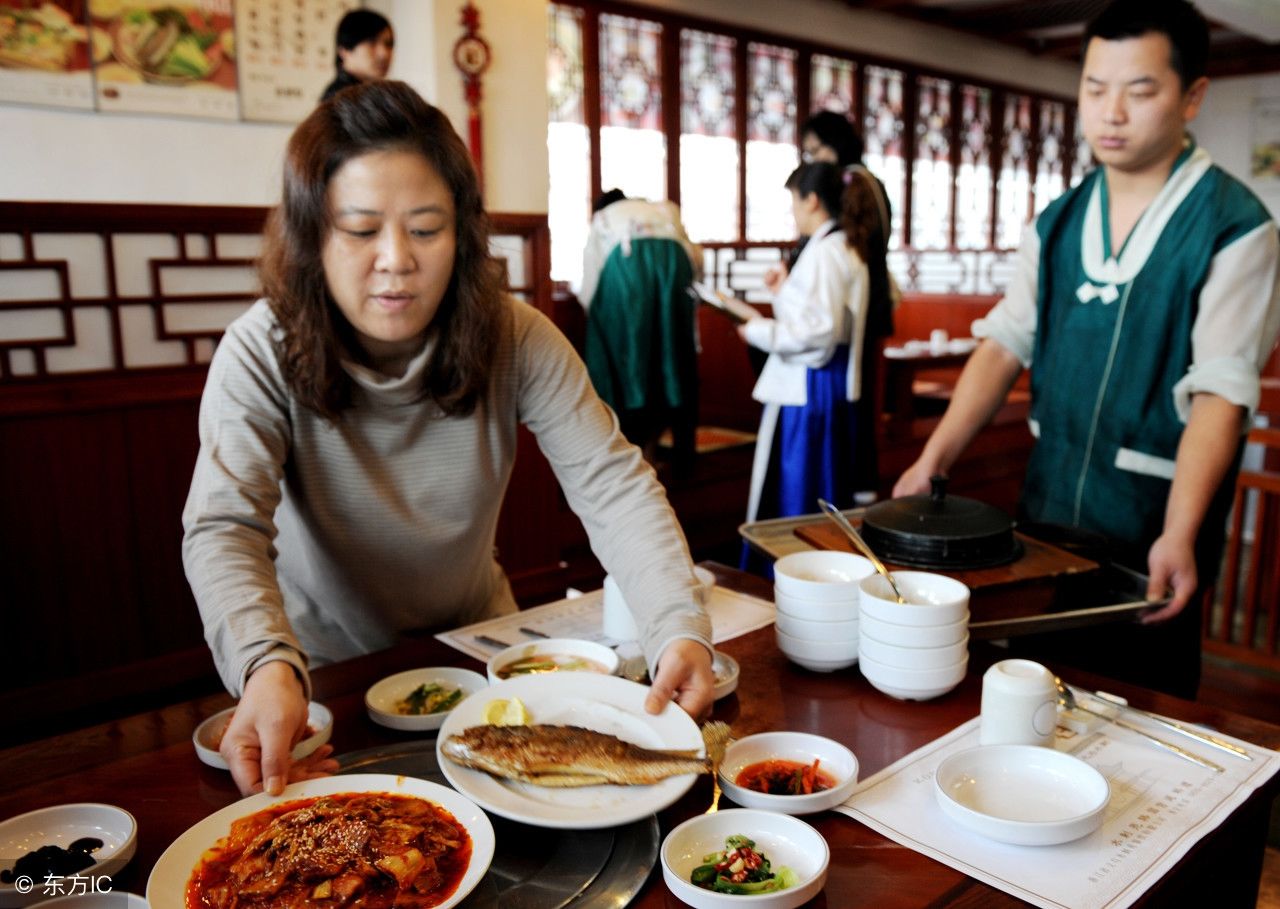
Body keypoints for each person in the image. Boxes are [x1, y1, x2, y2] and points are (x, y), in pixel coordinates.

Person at [182, 81, 715, 797]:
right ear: (313, 235)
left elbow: (612, 483)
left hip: (476, 652)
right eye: (363, 230)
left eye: (426, 228)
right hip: (321, 675)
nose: (397, 259)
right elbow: (224, 525)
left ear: (461, 234)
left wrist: (677, 626)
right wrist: (263, 663)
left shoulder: (516, 335)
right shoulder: (260, 349)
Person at [893, 0, 1280, 698]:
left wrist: (1180, 531)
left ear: (1192, 96)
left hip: (1150, 529)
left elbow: (1222, 388)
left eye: (1140, 90)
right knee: (1035, 700)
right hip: (1046, 520)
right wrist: (934, 457)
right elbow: (1006, 340)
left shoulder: (1235, 226)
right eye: (1094, 89)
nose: (1111, 113)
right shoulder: (1060, 219)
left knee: (1137, 714)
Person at [732, 162, 881, 533]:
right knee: (807, 486)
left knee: (801, 492)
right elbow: (815, 316)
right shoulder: (832, 247)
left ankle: (792, 575)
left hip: (813, 385)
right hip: (817, 383)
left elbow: (819, 332)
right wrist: (784, 289)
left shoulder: (827, 252)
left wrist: (758, 331)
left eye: (794, 202)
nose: (793, 213)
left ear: (812, 200)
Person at [765, 110, 896, 496]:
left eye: (815, 150)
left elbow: (862, 250)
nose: (811, 160)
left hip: (858, 314)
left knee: (854, 410)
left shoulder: (860, 184)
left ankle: (856, 488)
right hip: (841, 314)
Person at [577, 190, 703, 471]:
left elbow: (589, 285)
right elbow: (697, 265)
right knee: (672, 366)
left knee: (628, 370)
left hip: (625, 274)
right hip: (675, 270)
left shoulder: (604, 219)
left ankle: (633, 459)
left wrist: (595, 317)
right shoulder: (666, 211)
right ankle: (672, 454)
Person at [320, 9, 394, 101]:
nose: (384, 54)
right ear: (344, 50)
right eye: (372, 42)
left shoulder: (366, 94)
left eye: (389, 44)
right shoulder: (340, 99)